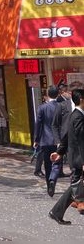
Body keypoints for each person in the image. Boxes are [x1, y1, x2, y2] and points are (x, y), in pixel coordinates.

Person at [47, 88, 84, 225]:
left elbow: (67, 136)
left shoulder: (76, 115)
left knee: (75, 185)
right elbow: (80, 140)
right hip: (78, 158)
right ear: (81, 100)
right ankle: (58, 211)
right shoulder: (78, 116)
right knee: (76, 185)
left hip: (76, 157)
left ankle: (57, 211)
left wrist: (59, 152)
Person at [34, 85, 64, 197]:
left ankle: (49, 186)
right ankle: (53, 179)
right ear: (58, 94)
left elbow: (38, 124)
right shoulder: (62, 106)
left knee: (47, 164)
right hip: (59, 140)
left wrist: (36, 139)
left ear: (47, 94)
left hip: (45, 140)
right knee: (57, 163)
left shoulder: (42, 108)